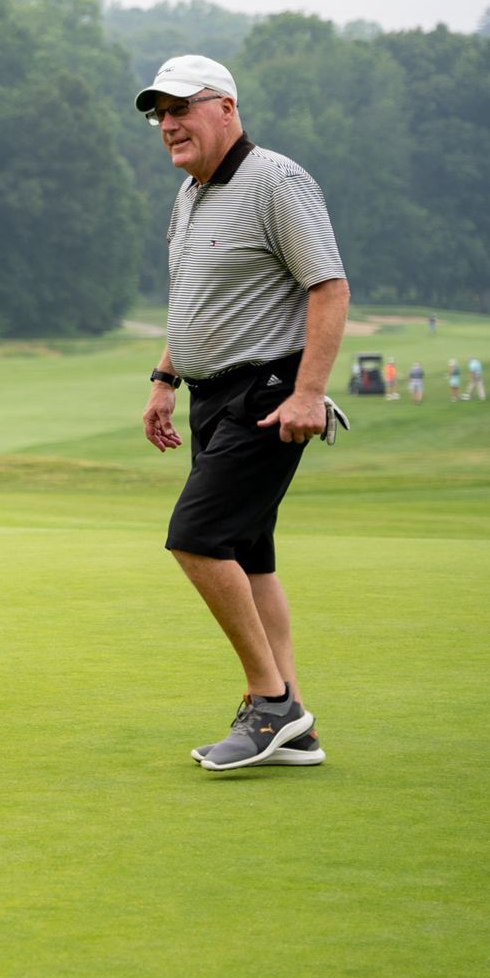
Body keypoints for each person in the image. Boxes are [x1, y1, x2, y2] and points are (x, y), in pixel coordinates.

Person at [137, 56, 347, 771]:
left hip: (268, 394)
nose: (168, 125)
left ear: (225, 108)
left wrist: (309, 393)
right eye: (159, 114)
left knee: (196, 537)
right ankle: (294, 722)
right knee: (248, 554)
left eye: (181, 109)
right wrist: (165, 378)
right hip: (210, 396)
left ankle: (270, 705)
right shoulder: (190, 195)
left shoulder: (275, 181)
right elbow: (195, 301)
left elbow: (328, 287)